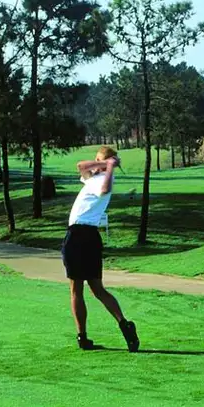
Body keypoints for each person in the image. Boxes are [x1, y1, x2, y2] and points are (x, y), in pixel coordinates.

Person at [62, 146, 139, 352]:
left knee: (82, 289)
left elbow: (105, 190)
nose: (94, 163)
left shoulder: (105, 180)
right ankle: (85, 338)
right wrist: (105, 163)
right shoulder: (91, 178)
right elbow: (81, 166)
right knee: (92, 289)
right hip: (87, 237)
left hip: (80, 236)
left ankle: (123, 325)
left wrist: (109, 168)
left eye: (98, 159)